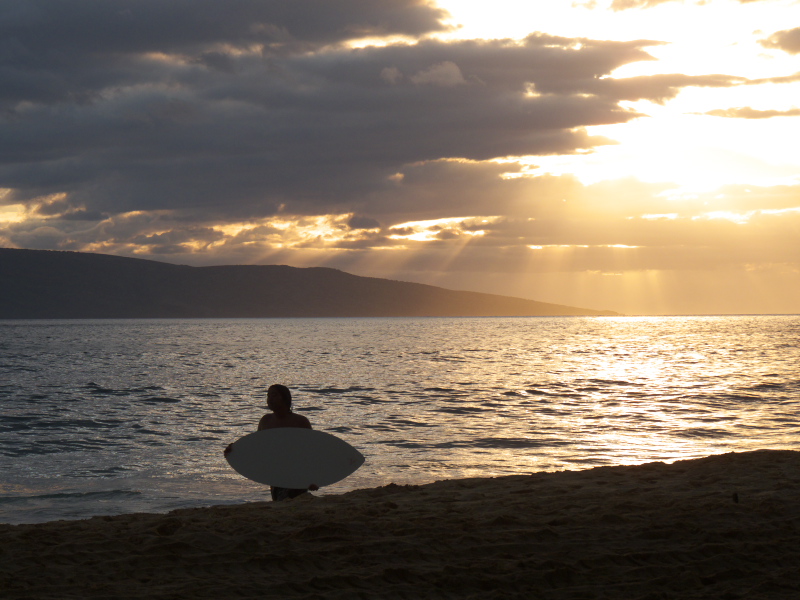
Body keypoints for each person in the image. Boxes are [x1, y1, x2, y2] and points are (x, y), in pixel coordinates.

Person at [225, 384, 318, 501]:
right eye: (268, 395)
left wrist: (313, 478)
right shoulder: (265, 421)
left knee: (290, 503)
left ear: (285, 398)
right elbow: (256, 447)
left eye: (274, 395)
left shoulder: (300, 421)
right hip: (275, 473)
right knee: (280, 502)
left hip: (297, 472)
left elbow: (312, 451)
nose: (270, 399)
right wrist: (235, 450)